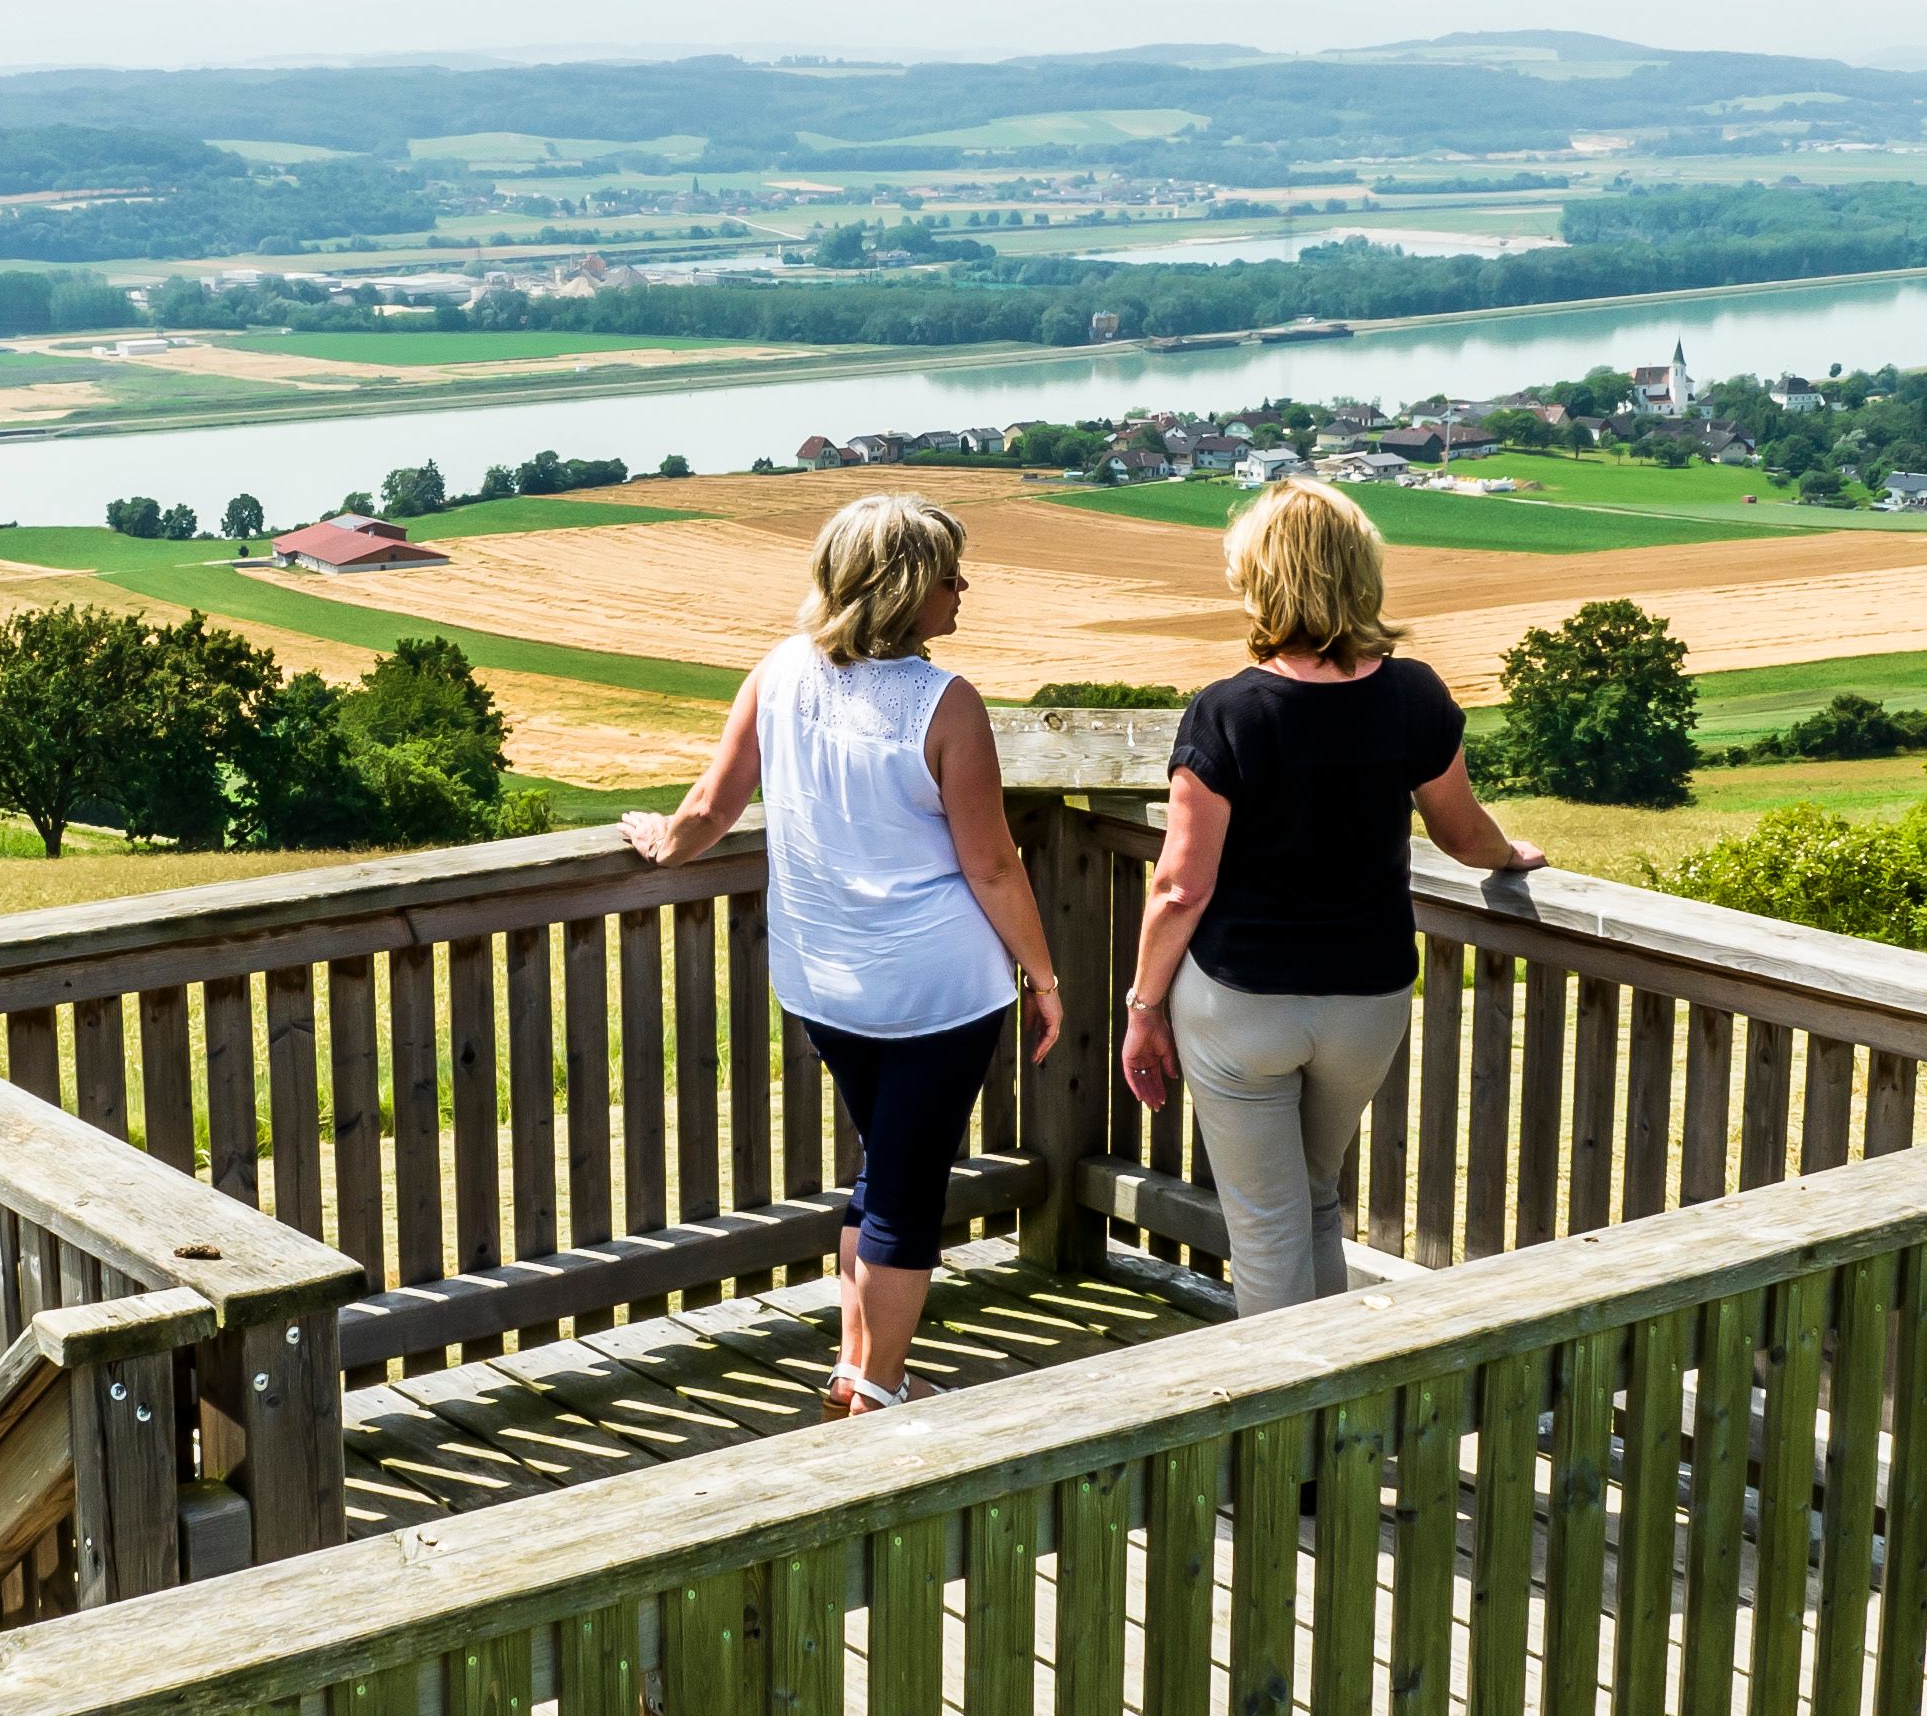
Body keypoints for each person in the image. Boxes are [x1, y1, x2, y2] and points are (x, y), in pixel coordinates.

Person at [626, 492, 1062, 1408]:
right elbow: (991, 866)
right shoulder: (944, 704)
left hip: (825, 983)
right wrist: (1046, 976)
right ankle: (881, 1392)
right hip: (938, 992)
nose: (964, 589)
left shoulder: (779, 672)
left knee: (881, 1168)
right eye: (951, 575)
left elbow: (708, 809)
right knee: (907, 1192)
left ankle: (853, 1363)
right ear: (907, 589)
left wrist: (658, 841)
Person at [1118, 479, 1544, 1315]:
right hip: (1367, 1001)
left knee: (1268, 1226)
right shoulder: (1414, 694)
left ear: (1263, 580)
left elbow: (1178, 886)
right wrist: (1511, 854)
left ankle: (1280, 1430)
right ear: (1360, 573)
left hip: (1242, 1003)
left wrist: (1143, 1007)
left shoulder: (1229, 713)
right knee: (1314, 1198)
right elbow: (1463, 837)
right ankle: (1327, 1421)